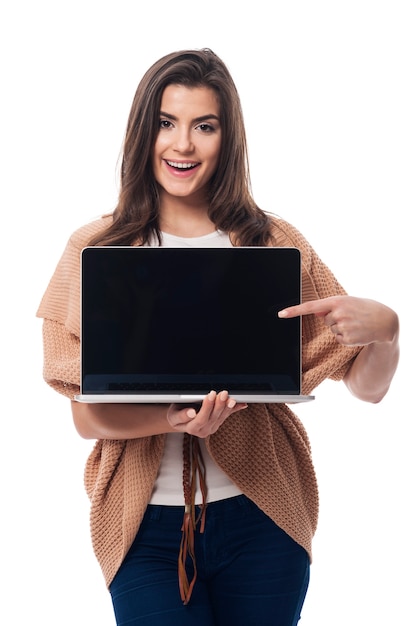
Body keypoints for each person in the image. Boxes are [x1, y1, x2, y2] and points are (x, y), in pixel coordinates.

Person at [36, 48, 399, 626]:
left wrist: (387, 333)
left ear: (227, 138)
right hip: (146, 528)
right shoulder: (98, 249)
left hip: (263, 517)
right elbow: (87, 416)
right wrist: (175, 419)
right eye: (166, 123)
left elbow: (367, 387)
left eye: (204, 126)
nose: (183, 145)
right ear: (142, 132)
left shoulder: (272, 241)